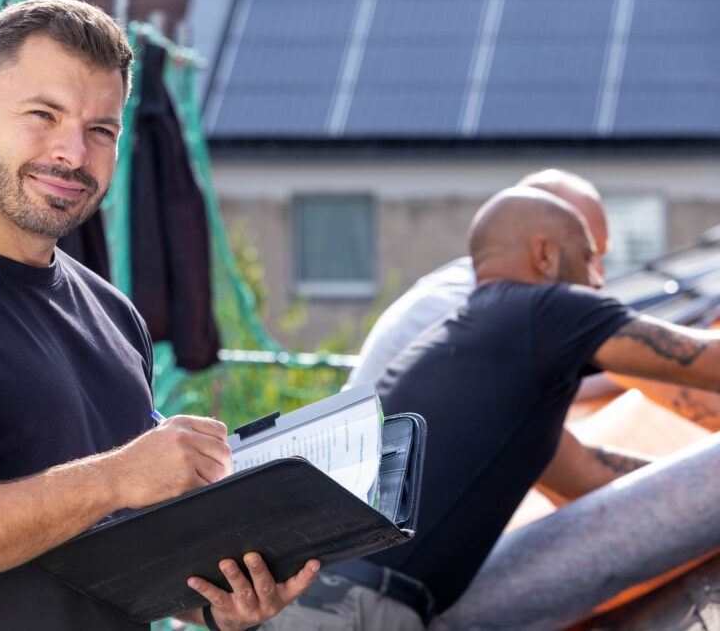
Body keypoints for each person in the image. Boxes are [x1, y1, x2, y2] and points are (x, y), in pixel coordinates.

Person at [0, 0, 318, 631]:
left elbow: (115, 547)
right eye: (42, 115)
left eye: (100, 130)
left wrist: (217, 597)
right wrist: (116, 476)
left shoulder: (113, 314)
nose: (74, 153)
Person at [262, 186, 720, 630]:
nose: (600, 279)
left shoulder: (472, 354)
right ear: (544, 255)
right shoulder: (545, 310)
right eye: (587, 257)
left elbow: (587, 475)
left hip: (314, 600)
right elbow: (706, 362)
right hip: (355, 610)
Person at [345, 168, 609, 390]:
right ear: (543, 249)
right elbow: (539, 393)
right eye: (587, 252)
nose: (599, 275)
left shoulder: (490, 292)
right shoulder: (463, 306)